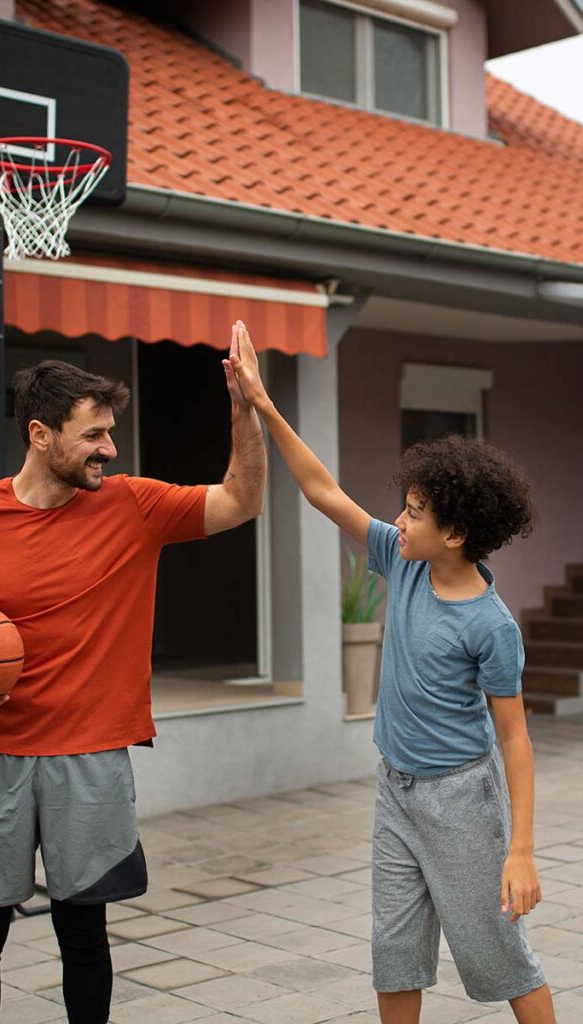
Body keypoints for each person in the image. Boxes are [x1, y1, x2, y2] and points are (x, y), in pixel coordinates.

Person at [0, 322, 266, 1024]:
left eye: (111, 432)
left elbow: (240, 500)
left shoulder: (133, 505)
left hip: (91, 757)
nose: (110, 448)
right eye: (93, 435)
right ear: (40, 436)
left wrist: (244, 410)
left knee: (84, 936)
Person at [228, 325, 555, 1024]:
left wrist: (520, 851)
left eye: (413, 512)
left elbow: (515, 740)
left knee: (497, 955)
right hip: (395, 792)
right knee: (393, 952)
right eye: (402, 509)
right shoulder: (400, 561)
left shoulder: (490, 625)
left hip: (461, 803)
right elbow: (321, 489)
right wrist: (260, 401)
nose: (398, 522)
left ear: (456, 533)